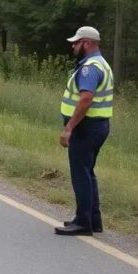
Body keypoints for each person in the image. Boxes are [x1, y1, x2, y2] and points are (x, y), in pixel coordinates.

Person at [54, 26, 113, 236]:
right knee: (88, 173)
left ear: (86, 43)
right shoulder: (102, 64)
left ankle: (83, 223)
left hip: (85, 127)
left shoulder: (90, 67)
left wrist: (69, 127)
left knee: (80, 174)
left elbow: (86, 99)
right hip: (98, 126)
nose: (73, 46)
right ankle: (93, 220)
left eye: (77, 42)